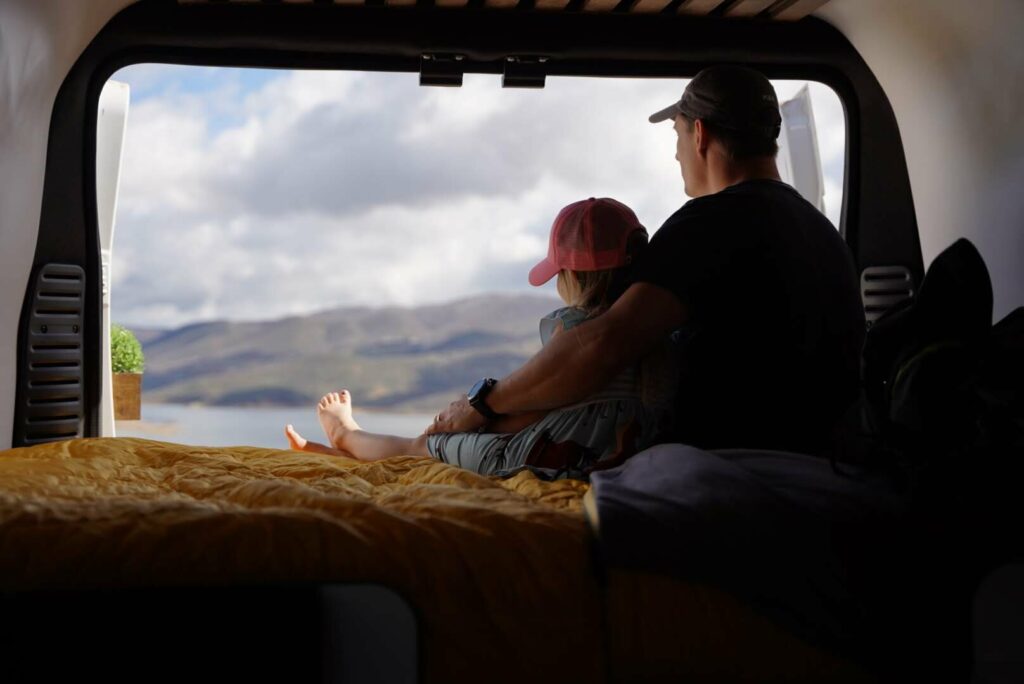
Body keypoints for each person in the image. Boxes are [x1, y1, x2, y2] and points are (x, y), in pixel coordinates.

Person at [426, 65, 865, 456]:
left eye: (676, 136)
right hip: (825, 458)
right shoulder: (820, 230)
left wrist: (480, 403)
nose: (676, 155)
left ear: (700, 134)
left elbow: (601, 346)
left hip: (738, 464)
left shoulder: (709, 224)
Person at [284, 197, 672, 478]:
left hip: (554, 456)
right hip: (623, 450)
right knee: (429, 449)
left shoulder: (574, 329)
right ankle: (350, 454)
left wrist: (471, 425)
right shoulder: (656, 329)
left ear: (570, 277)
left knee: (420, 447)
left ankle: (347, 434)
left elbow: (540, 403)